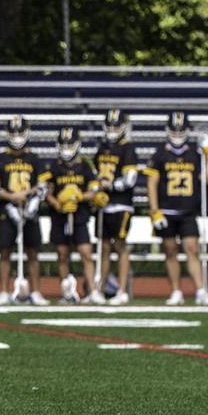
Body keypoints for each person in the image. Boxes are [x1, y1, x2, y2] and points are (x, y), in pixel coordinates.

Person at [144, 112, 208, 305]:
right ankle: (176, 291)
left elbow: (207, 179)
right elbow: (151, 183)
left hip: (187, 210)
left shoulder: (194, 153)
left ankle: (200, 290)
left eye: (180, 130)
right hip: (166, 210)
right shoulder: (160, 153)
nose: (177, 134)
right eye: (174, 130)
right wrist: (154, 210)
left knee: (192, 249)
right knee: (170, 250)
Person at [0, 115, 51, 305]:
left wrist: (27, 195)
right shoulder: (0, 159)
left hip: (29, 210)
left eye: (19, 132)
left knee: (32, 252)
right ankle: (3, 291)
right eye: (13, 132)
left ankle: (36, 292)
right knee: (5, 252)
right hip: (7, 211)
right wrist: (11, 197)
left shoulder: (34, 159)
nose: (16, 135)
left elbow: (43, 186)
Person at [46, 127, 104, 304]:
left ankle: (93, 291)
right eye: (63, 145)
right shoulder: (54, 167)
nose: (66, 149)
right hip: (60, 217)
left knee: (86, 253)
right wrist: (58, 203)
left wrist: (79, 197)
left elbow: (93, 190)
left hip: (80, 216)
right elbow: (48, 193)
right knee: (62, 254)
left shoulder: (85, 166)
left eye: (69, 145)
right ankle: (67, 292)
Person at [94, 109, 138, 305]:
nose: (112, 130)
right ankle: (100, 289)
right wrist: (96, 190)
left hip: (121, 204)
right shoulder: (102, 148)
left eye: (115, 126)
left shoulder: (128, 149)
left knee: (120, 246)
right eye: (110, 126)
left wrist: (108, 186)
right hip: (104, 205)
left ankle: (122, 290)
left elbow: (130, 180)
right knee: (104, 247)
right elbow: (95, 174)